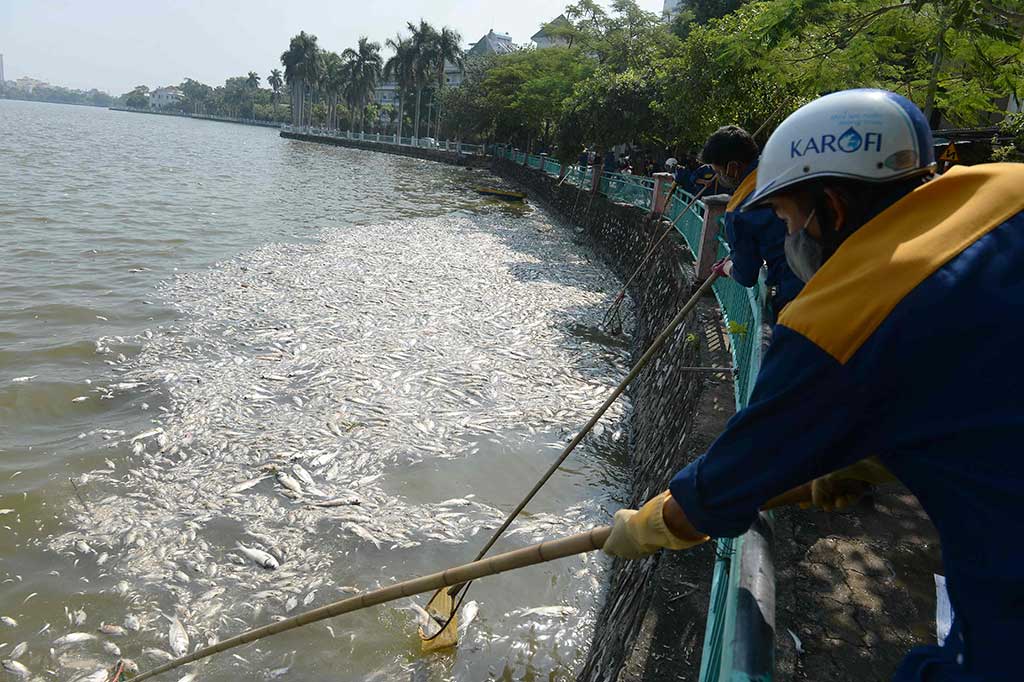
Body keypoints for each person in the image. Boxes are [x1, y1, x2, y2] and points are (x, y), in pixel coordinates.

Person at [602, 88, 1024, 680]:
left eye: (788, 217)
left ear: (832, 206)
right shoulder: (1006, 187)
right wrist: (868, 459)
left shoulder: (843, 315)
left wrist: (643, 527)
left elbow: (720, 493)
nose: (789, 234)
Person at [701, 125, 803, 321]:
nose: (718, 177)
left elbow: (746, 274)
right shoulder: (787, 170)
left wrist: (727, 267)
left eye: (718, 171)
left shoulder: (740, 209)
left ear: (732, 167)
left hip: (794, 292)